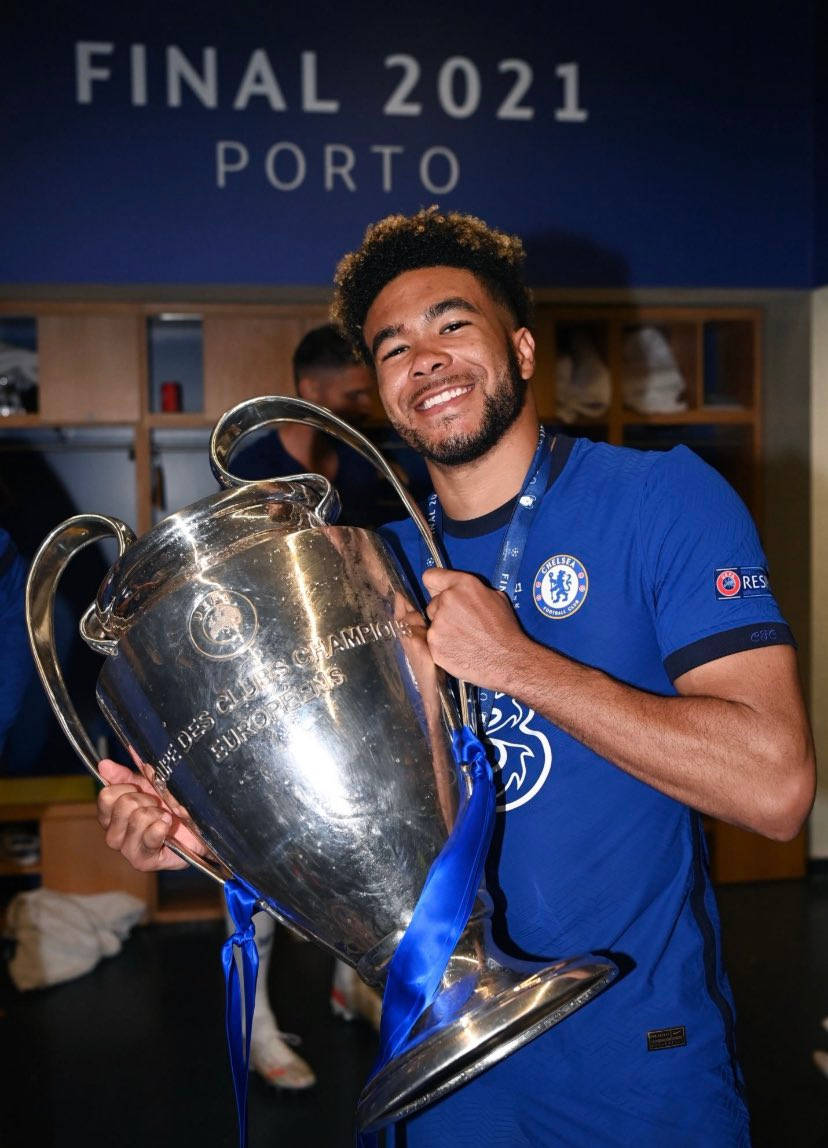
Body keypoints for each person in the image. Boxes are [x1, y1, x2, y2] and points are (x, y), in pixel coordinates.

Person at [97, 207, 816, 1145]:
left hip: (637, 1067)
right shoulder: (360, 567)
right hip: (442, 1076)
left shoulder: (660, 500)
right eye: (392, 347)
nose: (423, 358)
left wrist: (517, 664)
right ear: (378, 389)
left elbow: (776, 787)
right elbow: (337, 834)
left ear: (520, 349)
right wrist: (203, 840)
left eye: (452, 324)